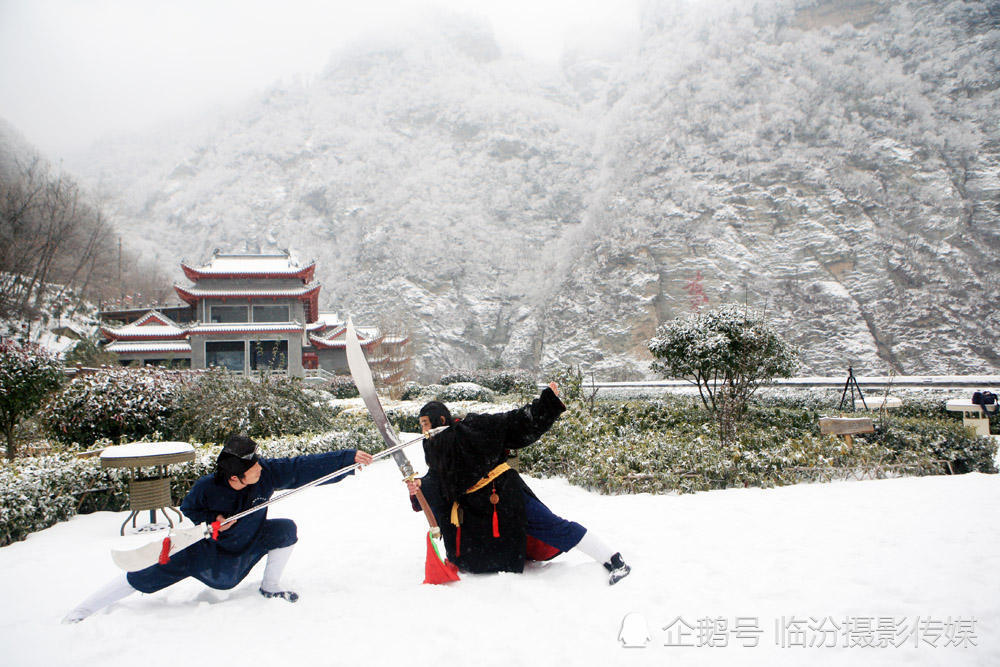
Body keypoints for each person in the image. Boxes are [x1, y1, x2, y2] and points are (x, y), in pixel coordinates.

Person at [63, 434, 373, 623]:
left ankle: (271, 586)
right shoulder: (205, 489)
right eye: (253, 469)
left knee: (284, 529)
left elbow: (300, 467)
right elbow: (186, 521)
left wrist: (346, 459)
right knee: (145, 572)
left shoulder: (264, 475)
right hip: (208, 555)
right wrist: (211, 525)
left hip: (248, 543)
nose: (261, 470)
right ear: (235, 478)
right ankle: (81, 612)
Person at [407, 383, 630, 584]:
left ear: (441, 420)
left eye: (426, 424)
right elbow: (439, 479)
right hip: (476, 505)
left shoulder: (472, 426)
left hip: (503, 491)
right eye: (421, 426)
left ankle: (613, 559)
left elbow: (512, 423)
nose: (424, 430)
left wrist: (546, 404)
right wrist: (420, 486)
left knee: (551, 524)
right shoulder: (434, 448)